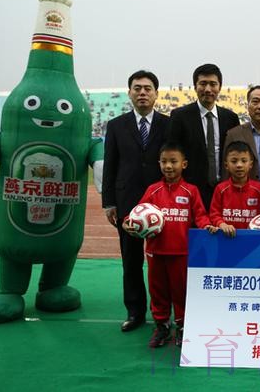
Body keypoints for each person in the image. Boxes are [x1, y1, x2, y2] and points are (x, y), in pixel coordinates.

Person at [123, 142, 216, 348]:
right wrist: (128, 222)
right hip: (155, 252)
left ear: (184, 164)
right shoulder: (153, 190)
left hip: (181, 252)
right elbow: (138, 213)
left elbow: (200, 216)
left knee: (181, 290)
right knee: (158, 291)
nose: (168, 166)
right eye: (164, 161)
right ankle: (162, 325)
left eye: (173, 161)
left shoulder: (191, 191)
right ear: (159, 163)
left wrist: (207, 226)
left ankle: (183, 326)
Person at [102, 70, 169, 332]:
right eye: (137, 88)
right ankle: (135, 311)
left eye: (147, 88)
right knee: (130, 261)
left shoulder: (169, 124)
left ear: (156, 94)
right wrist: (109, 202)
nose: (142, 93)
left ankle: (164, 311)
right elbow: (110, 165)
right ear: (129, 93)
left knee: (163, 260)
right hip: (127, 201)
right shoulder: (116, 125)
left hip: (161, 202)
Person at [167, 64, 240, 210]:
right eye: (203, 83)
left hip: (224, 190)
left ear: (219, 87)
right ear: (195, 86)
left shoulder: (231, 118)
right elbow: (172, 152)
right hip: (190, 191)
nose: (208, 89)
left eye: (213, 84)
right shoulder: (179, 116)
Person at [210, 141, 260, 237]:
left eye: (244, 161)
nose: (239, 165)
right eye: (234, 161)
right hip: (226, 238)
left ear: (250, 164)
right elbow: (214, 214)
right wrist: (222, 224)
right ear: (226, 165)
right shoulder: (220, 189)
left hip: (253, 239)